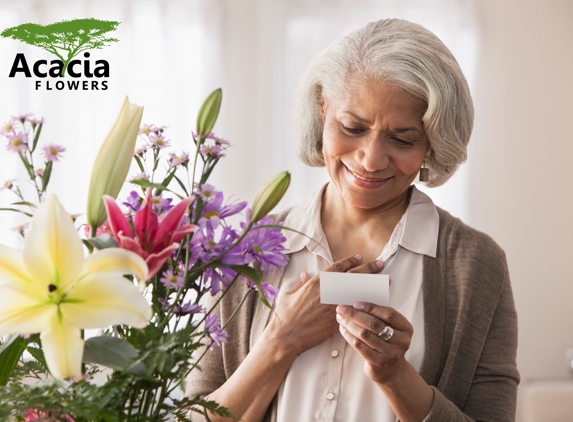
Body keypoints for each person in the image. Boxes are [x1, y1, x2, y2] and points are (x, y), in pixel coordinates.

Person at [186, 19, 519, 421]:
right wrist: (280, 340)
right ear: (323, 108)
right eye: (352, 127)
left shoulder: (476, 265)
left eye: (402, 138)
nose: (371, 160)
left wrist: (396, 375)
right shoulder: (248, 250)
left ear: (432, 139)